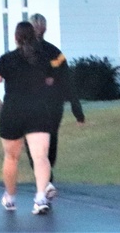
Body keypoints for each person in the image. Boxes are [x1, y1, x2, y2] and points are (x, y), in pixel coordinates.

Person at [0, 21, 54, 215]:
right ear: (34, 37)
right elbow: (50, 81)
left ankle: (10, 197)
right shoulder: (43, 58)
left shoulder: (7, 59)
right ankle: (40, 196)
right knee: (40, 156)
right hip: (38, 111)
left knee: (11, 157)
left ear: (16, 38)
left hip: (12, 112)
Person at [26, 13, 85, 199]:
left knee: (34, 142)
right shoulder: (55, 53)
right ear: (45, 28)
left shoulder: (23, 53)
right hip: (53, 104)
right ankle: (47, 177)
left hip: (33, 104)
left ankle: (45, 178)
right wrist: (77, 110)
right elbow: (66, 80)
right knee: (50, 140)